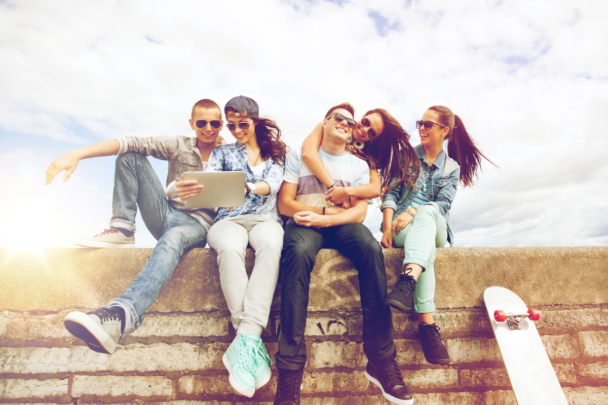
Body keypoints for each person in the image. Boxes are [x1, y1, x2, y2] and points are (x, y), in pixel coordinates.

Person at [44, 98, 224, 354]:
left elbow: (240, 195)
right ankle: (122, 229)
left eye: (215, 123)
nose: (208, 128)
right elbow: (130, 142)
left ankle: (120, 315)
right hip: (166, 212)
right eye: (202, 122)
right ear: (192, 123)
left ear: (222, 125)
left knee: (171, 240)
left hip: (197, 223)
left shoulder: (229, 153)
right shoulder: (179, 145)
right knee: (130, 155)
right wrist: (77, 154)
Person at [274, 103, 414, 405]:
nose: (347, 124)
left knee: (369, 247)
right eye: (340, 118)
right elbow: (285, 204)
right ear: (324, 121)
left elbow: (359, 214)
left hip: (339, 224)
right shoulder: (300, 155)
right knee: (297, 252)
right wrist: (319, 212)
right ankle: (289, 373)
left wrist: (327, 219)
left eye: (351, 123)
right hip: (304, 222)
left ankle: (381, 358)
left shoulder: (360, 165)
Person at [188, 95, 287, 398]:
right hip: (229, 219)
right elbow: (211, 189)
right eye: (231, 125)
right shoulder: (222, 152)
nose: (236, 129)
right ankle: (249, 339)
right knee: (229, 249)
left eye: (242, 123)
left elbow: (270, 184)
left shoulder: (278, 155)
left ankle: (244, 339)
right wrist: (210, 189)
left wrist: (245, 186)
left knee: (271, 246)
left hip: (265, 219)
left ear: (255, 121)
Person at [380, 105, 496, 365]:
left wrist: (413, 210)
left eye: (428, 124)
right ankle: (427, 326)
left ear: (445, 131)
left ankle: (407, 281)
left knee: (430, 213)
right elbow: (390, 193)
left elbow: (443, 204)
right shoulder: (405, 157)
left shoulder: (451, 168)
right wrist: (387, 228)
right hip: (401, 229)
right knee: (424, 255)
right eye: (420, 123)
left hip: (435, 227)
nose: (421, 128)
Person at [301, 108, 420, 207]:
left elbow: (374, 188)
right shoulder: (328, 126)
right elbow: (308, 153)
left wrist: (345, 192)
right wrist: (333, 187)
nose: (364, 129)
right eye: (366, 122)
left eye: (371, 133)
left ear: (373, 139)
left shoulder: (367, 158)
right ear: (363, 115)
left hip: (341, 211)